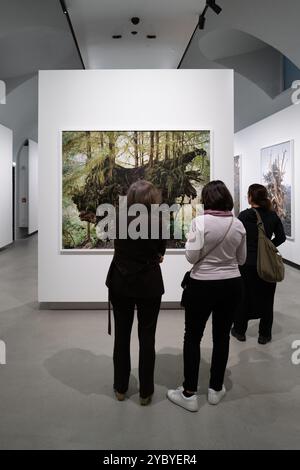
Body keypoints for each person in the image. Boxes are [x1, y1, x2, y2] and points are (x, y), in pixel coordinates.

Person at [167, 180, 247, 412]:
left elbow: (191, 258)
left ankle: (189, 393)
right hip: (232, 284)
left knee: (192, 337)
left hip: (202, 285)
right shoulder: (238, 224)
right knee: (221, 337)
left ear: (207, 199)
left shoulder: (199, 223)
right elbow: (241, 260)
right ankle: (215, 389)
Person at [106, 180, 166, 406]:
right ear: (152, 198)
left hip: (121, 282)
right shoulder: (159, 222)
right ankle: (145, 393)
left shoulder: (117, 219)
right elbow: (160, 253)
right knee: (147, 338)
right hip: (148, 284)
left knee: (122, 336)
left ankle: (121, 389)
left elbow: (117, 247)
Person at [231, 184, 286, 345]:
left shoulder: (244, 215)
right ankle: (264, 335)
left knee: (244, 297)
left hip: (246, 263)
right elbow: (281, 237)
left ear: (250, 197)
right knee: (267, 298)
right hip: (266, 264)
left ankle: (240, 331)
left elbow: (237, 237)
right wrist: (269, 247)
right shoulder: (272, 215)